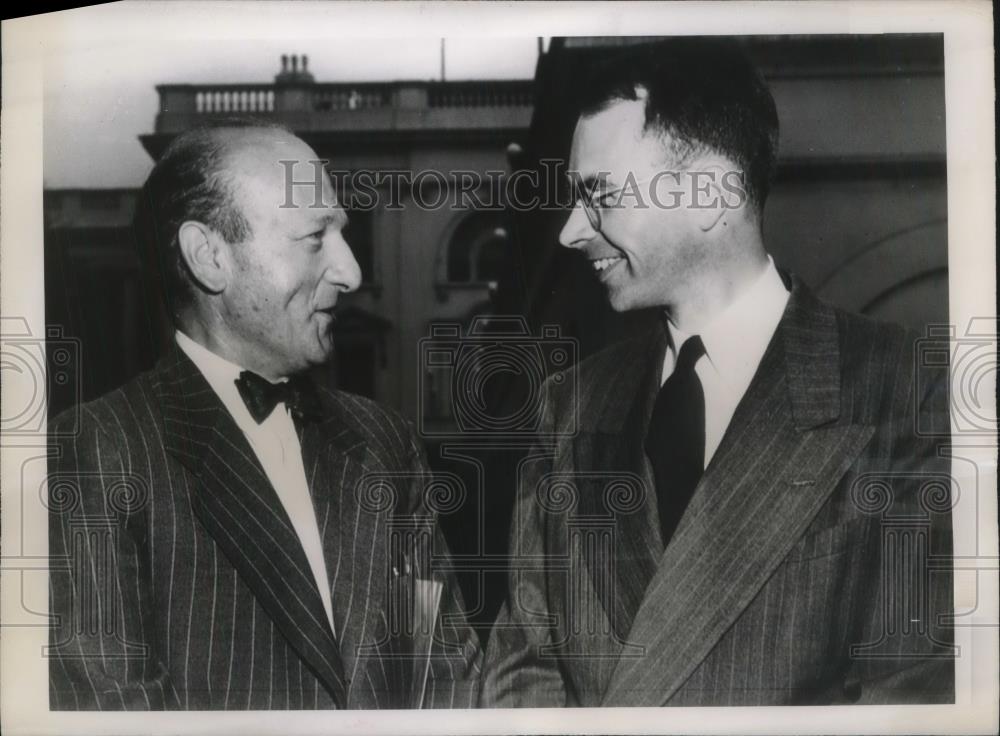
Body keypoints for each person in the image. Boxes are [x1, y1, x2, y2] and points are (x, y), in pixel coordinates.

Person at [482, 40, 953, 707]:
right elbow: (524, 675)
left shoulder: (909, 390)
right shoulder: (569, 408)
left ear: (710, 195)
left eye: (599, 195)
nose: (569, 231)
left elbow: (915, 695)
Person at [48, 121, 480, 709]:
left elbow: (445, 680)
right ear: (210, 257)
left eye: (345, 234)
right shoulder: (94, 454)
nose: (350, 271)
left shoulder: (385, 443)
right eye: (314, 237)